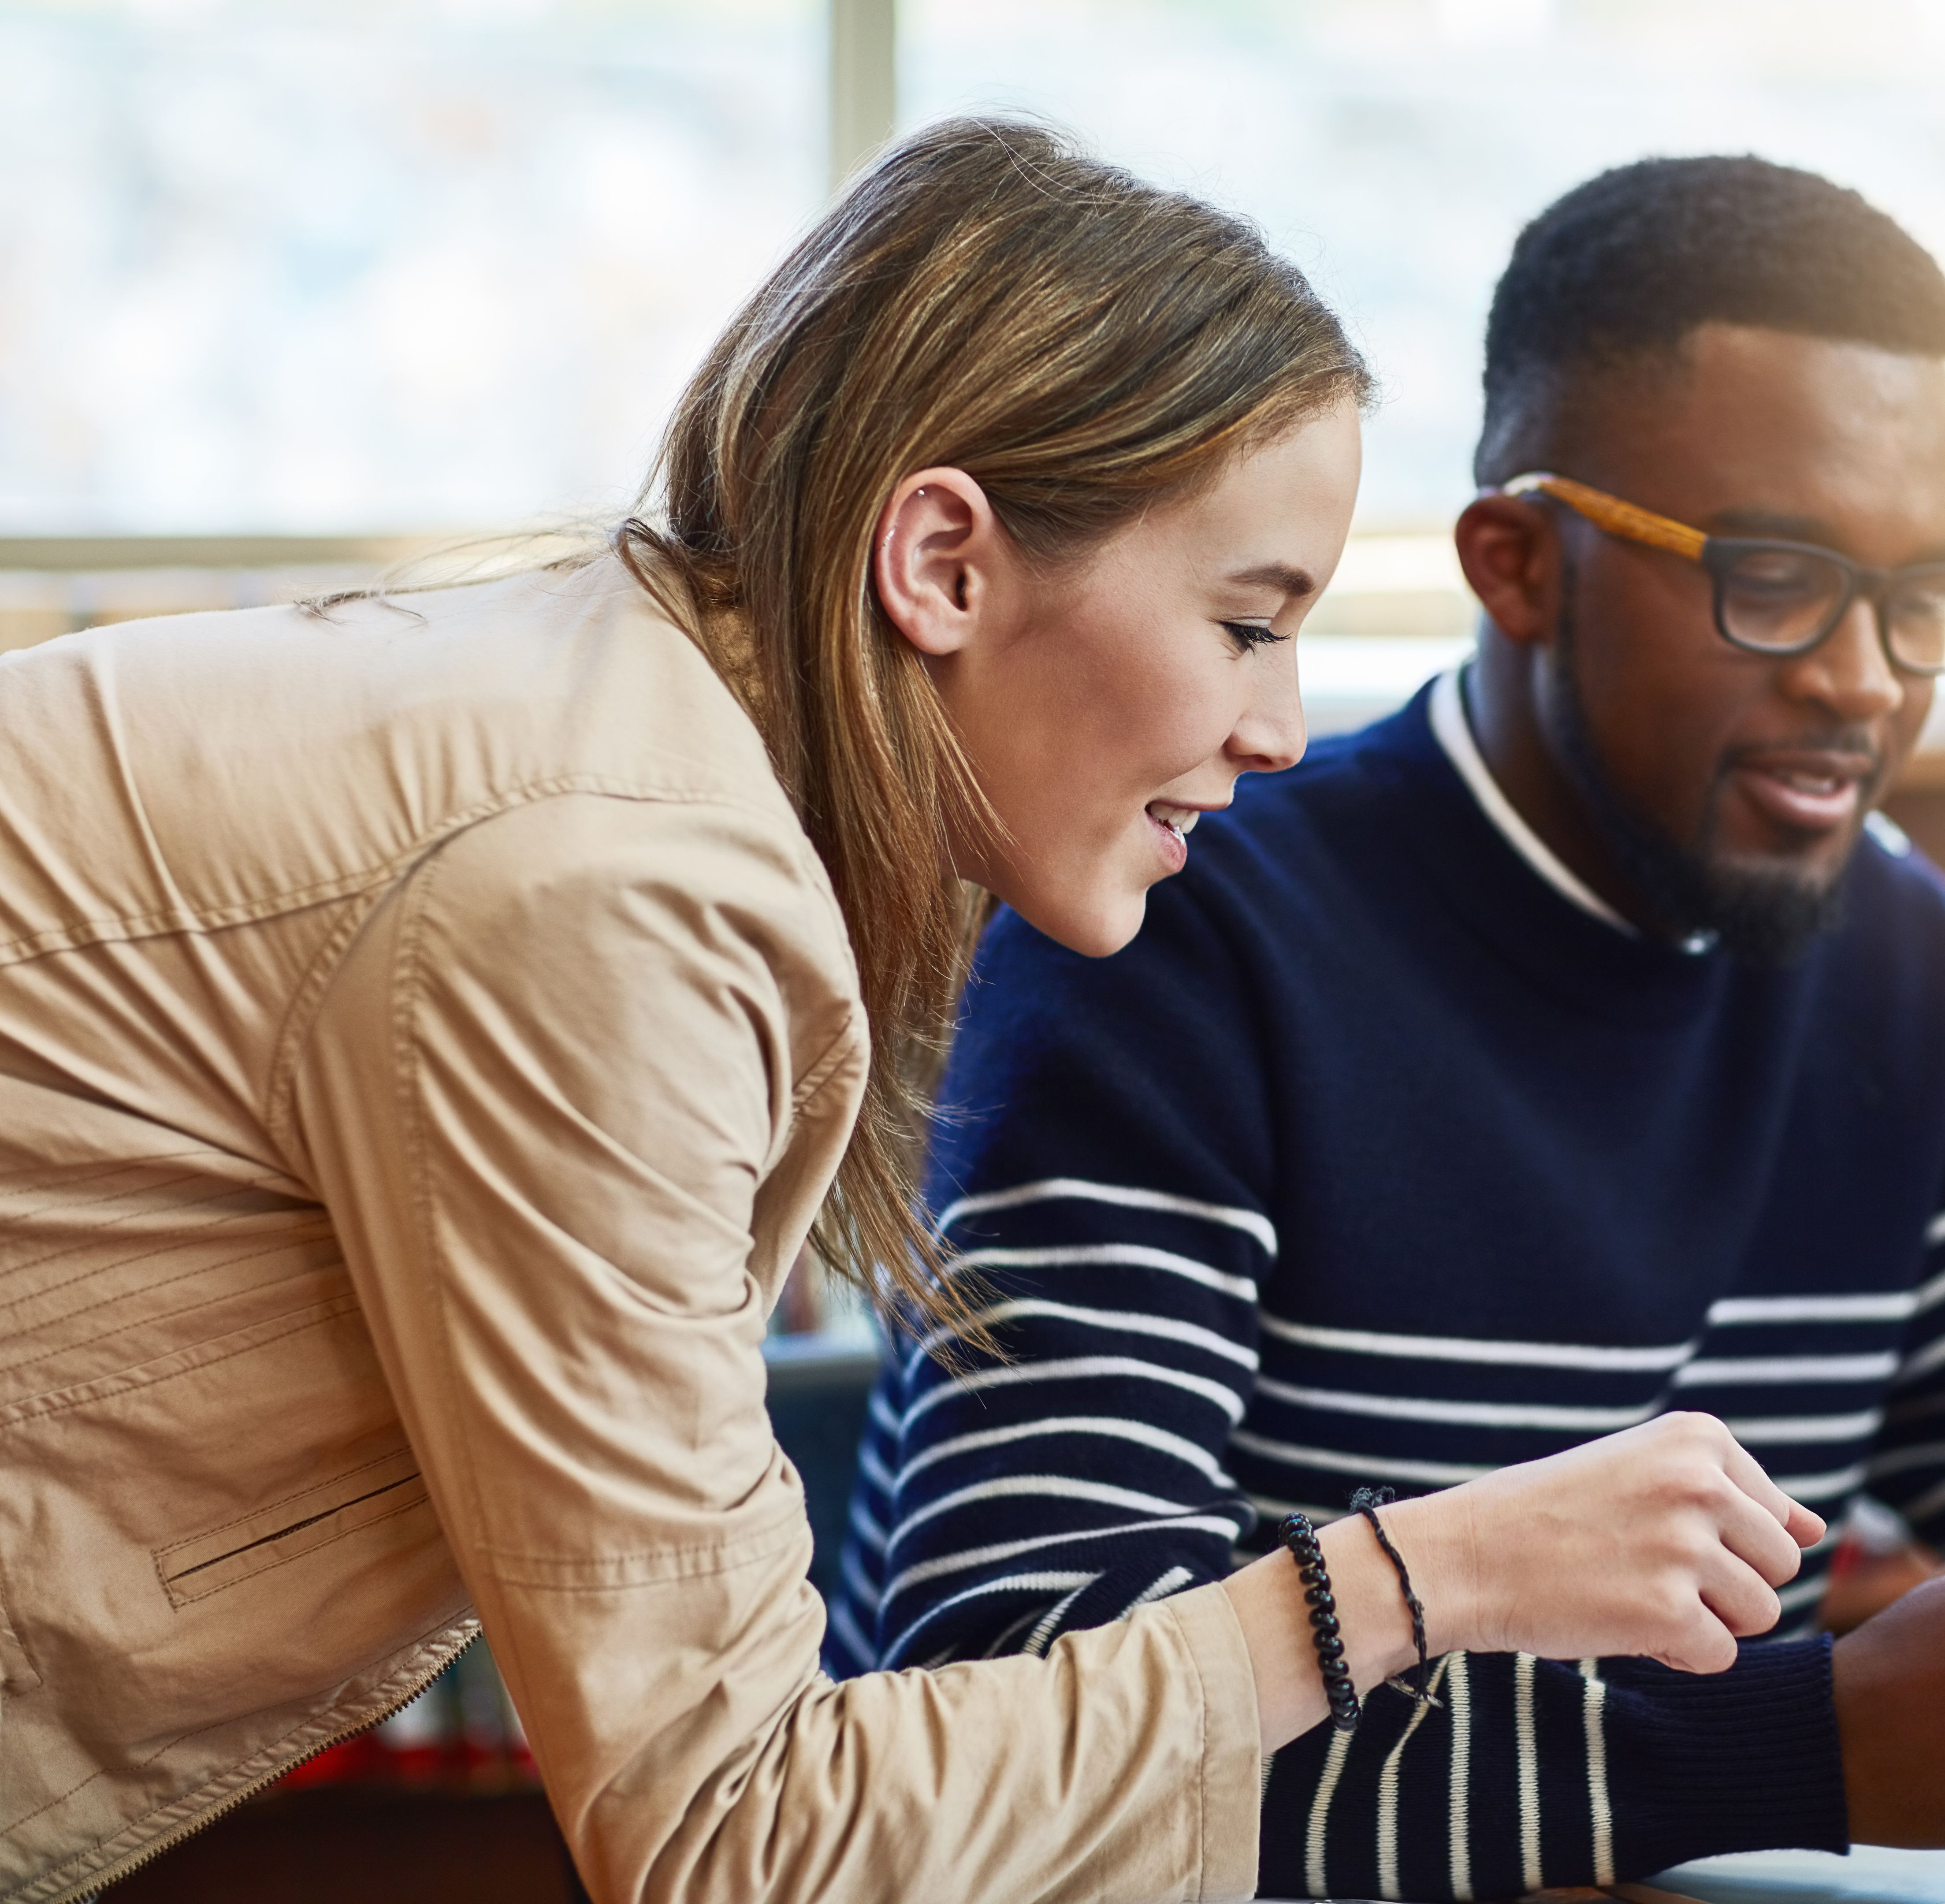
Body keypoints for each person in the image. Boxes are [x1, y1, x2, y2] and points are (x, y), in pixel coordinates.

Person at [0, 120, 1839, 1904]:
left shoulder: (625, 761)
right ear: (944, 564)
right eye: (1246, 623)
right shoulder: (607, 894)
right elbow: (743, 1846)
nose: (1282, 730)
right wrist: (1416, 1582)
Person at [840, 155, 1945, 1900]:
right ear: (1518, 566)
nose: (1865, 678)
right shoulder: (1167, 931)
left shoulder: (1874, 957)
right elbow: (1025, 1720)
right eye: (1774, 579)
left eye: (1918, 603)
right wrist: (1803, 1744)